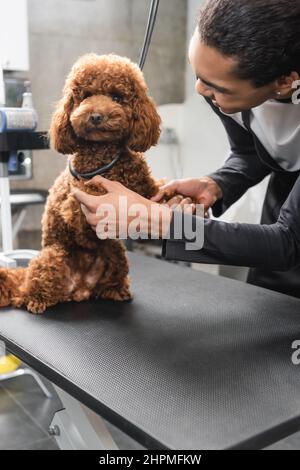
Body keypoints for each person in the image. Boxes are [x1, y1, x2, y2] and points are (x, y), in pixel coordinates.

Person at [74, 0, 300, 299]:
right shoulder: (221, 88)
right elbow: (250, 153)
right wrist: (217, 184)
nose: (200, 91)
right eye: (197, 74)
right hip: (280, 220)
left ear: (285, 81)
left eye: (216, 86)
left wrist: (156, 220)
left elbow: (288, 244)